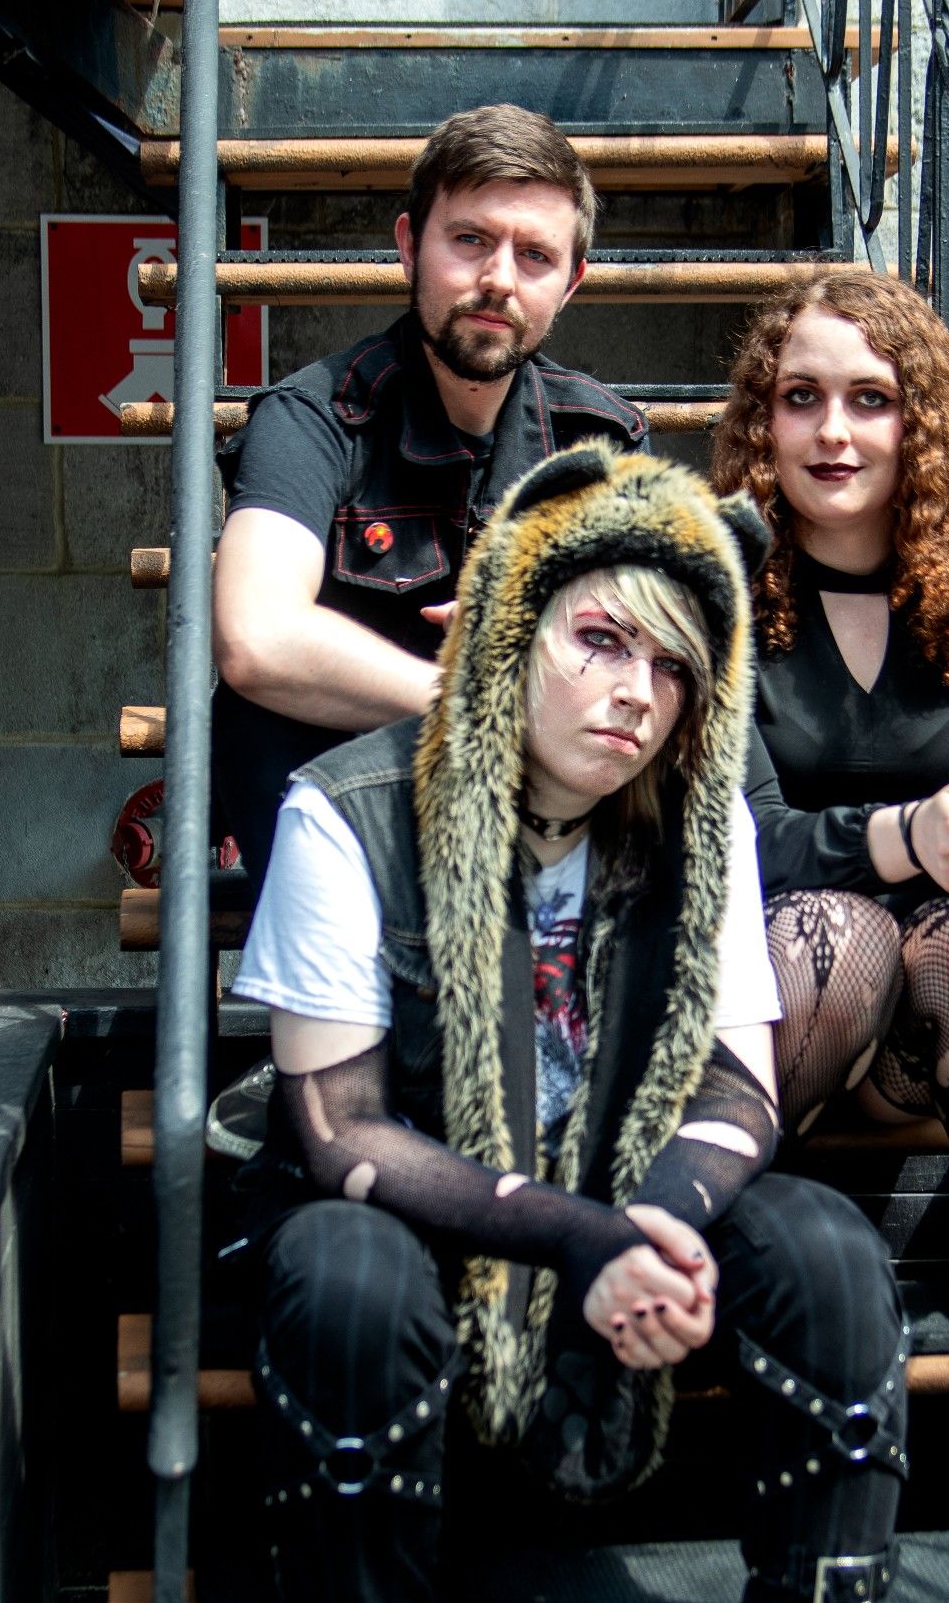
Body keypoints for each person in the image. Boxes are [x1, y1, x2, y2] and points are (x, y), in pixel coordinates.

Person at [212, 444, 949, 1603]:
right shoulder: (349, 814)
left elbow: (741, 1094)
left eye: (672, 669)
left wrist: (662, 1222)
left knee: (826, 1258)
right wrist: (591, 1238)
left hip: (625, 1206)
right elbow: (338, 1121)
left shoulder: (699, 828)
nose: (632, 692)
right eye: (597, 641)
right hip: (424, 1215)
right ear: (510, 634)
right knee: (341, 1273)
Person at [205, 102, 645, 1160]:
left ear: (569, 282)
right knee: (267, 702)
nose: (499, 276)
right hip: (358, 841)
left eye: (533, 253)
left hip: (534, 832)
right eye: (471, 240)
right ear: (411, 245)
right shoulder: (315, 419)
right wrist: (474, 685)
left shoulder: (602, 440)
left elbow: (637, 668)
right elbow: (257, 637)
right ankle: (341, 1033)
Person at [711, 269, 949, 1350]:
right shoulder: (715, 596)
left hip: (937, 1021)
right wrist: (906, 833)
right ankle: (720, 1218)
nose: (833, 431)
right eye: (800, 397)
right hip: (785, 992)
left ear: (919, 421)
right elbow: (749, 842)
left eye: (870, 398)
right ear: (760, 420)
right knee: (842, 935)